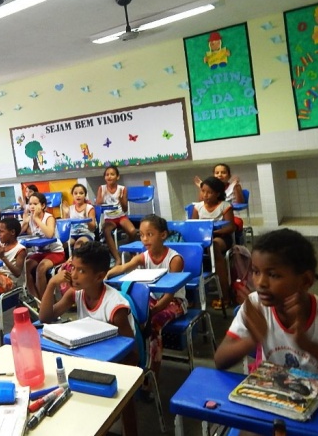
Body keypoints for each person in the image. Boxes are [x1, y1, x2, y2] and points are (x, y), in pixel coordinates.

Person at [215, 228, 318, 392]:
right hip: (281, 398)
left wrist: (308, 345)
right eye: (256, 271)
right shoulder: (255, 306)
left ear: (305, 280)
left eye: (273, 275)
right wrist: (253, 338)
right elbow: (220, 360)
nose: (260, 282)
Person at [39, 241, 138, 436]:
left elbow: (132, 350)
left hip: (118, 361)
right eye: (73, 267)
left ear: (99, 276)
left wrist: (118, 374)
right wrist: (51, 284)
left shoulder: (115, 306)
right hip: (89, 357)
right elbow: (46, 317)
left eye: (81, 271)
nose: (73, 275)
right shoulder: (75, 293)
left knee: (125, 394)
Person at [106, 215, 187, 395]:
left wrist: (153, 311)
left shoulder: (174, 259)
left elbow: (170, 294)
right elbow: (124, 268)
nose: (144, 239)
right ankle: (137, 363)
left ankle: (153, 375)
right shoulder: (144, 256)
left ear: (163, 235)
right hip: (153, 300)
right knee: (131, 315)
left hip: (174, 302)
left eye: (149, 234)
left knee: (154, 323)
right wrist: (107, 274)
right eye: (141, 235)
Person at [191, 176, 235, 308]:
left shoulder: (225, 206)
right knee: (188, 252)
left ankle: (225, 297)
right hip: (202, 239)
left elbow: (230, 227)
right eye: (203, 191)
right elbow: (192, 226)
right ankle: (190, 297)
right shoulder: (197, 207)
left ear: (218, 193)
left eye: (209, 192)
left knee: (214, 247)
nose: (205, 195)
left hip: (221, 237)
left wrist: (213, 232)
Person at [20, 192, 66, 300]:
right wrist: (25, 221)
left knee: (41, 268)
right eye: (30, 204)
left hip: (55, 252)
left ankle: (45, 301)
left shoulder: (49, 218)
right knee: (25, 267)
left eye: (35, 204)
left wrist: (36, 218)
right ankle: (36, 299)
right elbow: (19, 233)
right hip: (40, 252)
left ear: (43, 205)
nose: (32, 206)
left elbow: (49, 234)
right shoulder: (30, 218)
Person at [96, 166, 138, 266]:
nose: (109, 176)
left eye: (112, 174)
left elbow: (125, 209)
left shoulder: (122, 189)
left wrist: (121, 200)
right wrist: (102, 196)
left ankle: (130, 252)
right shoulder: (101, 188)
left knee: (132, 231)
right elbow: (98, 205)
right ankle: (117, 258)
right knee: (106, 231)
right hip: (109, 218)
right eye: (107, 175)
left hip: (121, 216)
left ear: (117, 177)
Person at [62, 183, 97, 250]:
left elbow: (92, 228)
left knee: (78, 244)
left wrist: (86, 219)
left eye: (81, 193)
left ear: (85, 195)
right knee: (62, 245)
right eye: (75, 193)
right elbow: (65, 229)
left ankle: (74, 257)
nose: (78, 195)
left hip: (86, 234)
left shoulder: (89, 208)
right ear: (72, 195)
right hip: (72, 235)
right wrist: (66, 214)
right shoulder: (70, 208)